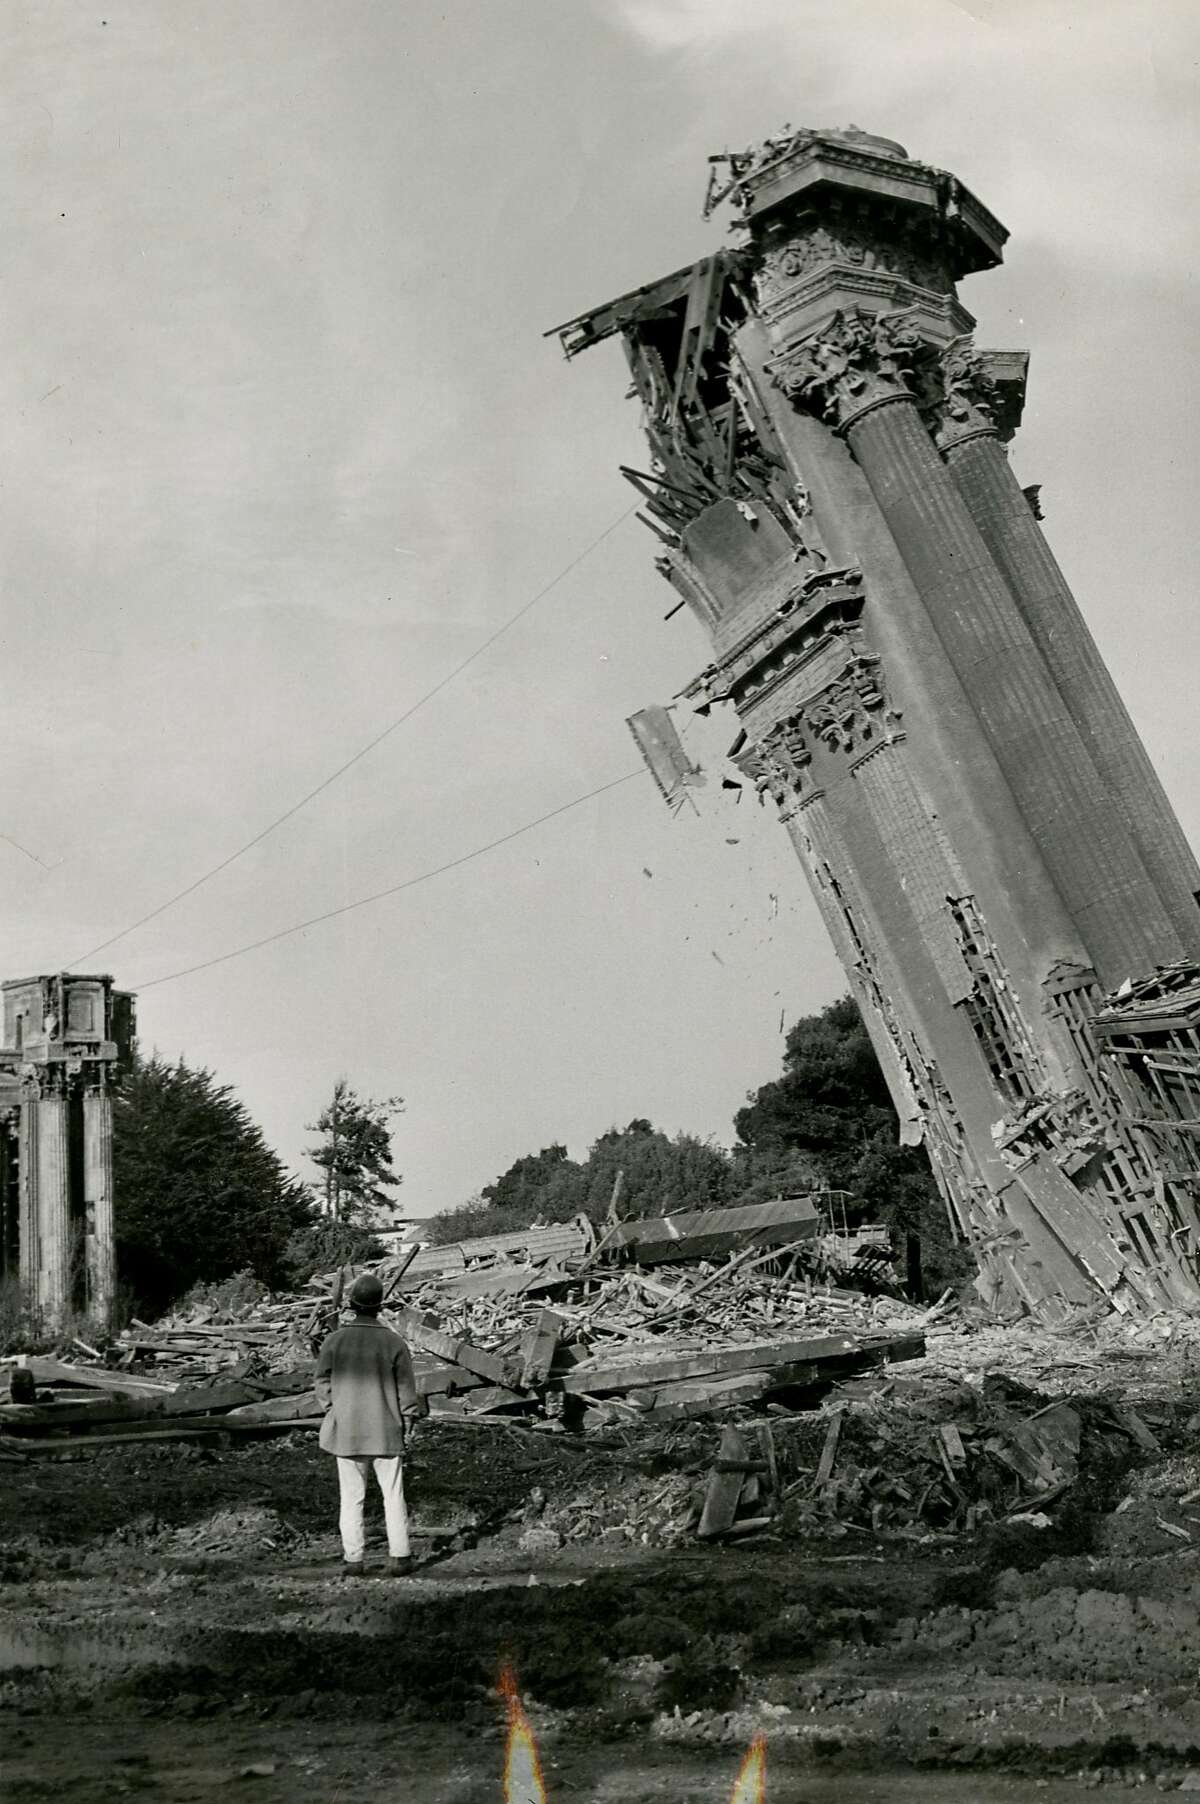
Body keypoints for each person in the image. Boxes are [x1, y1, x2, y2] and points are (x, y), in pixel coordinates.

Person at [314, 1271, 423, 1577]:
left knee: (351, 1498)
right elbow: (406, 1390)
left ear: (351, 1304)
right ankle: (400, 1557)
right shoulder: (394, 1342)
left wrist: (333, 1409)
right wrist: (409, 1418)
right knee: (393, 1494)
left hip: (346, 1431)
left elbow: (321, 1383)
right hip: (386, 1429)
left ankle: (354, 1560)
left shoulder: (334, 1341)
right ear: (379, 1305)